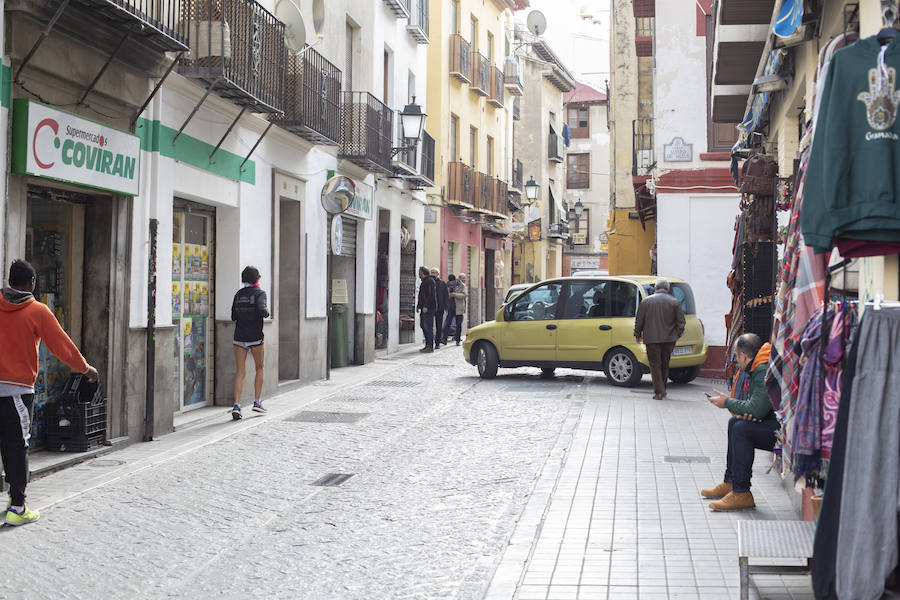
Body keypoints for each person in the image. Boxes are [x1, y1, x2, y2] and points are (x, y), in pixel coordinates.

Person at [0, 259, 98, 526]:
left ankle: (13, 501)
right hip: (17, 392)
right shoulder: (37, 311)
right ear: (32, 283)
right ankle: (17, 508)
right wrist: (86, 369)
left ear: (9, 281)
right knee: (16, 446)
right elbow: (62, 346)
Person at [703, 333, 775, 511]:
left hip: (785, 431)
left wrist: (727, 402)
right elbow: (758, 406)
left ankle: (742, 492)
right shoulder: (758, 365)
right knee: (735, 423)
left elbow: (757, 408)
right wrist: (747, 410)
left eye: (736, 356)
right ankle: (731, 482)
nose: (736, 360)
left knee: (742, 429)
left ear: (744, 356)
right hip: (774, 421)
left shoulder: (761, 369)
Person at [633, 278, 686, 399]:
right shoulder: (675, 302)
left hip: (651, 339)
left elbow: (639, 320)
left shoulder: (646, 302)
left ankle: (659, 392)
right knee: (665, 364)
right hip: (669, 340)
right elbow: (681, 322)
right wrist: (676, 335)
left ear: (655, 288)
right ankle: (663, 389)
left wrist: (637, 334)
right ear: (667, 289)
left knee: (655, 365)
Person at [231, 266, 269, 420]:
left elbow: (233, 315)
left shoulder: (238, 294)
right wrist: (265, 311)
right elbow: (263, 311)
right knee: (259, 368)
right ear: (257, 279)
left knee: (240, 371)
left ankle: (237, 405)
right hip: (255, 338)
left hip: (239, 337)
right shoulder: (260, 293)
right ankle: (257, 402)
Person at [416, 266, 436, 352]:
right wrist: (418, 306)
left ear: (423, 273)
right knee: (423, 325)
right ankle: (427, 344)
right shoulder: (424, 282)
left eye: (419, 272)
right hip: (423, 308)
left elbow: (430, 295)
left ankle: (430, 346)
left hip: (429, 308)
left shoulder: (430, 281)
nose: (418, 274)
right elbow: (421, 295)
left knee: (428, 326)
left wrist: (426, 306)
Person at [444, 274, 467, 346]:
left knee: (458, 324)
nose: (451, 283)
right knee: (447, 323)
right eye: (450, 282)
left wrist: (455, 295)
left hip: (459, 308)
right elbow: (444, 295)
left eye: (452, 282)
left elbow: (464, 295)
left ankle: (457, 339)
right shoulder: (446, 285)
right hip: (450, 307)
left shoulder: (461, 285)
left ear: (454, 280)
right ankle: (444, 339)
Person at [431, 268, 449, 349]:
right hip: (430, 307)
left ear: (438, 274)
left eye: (434, 272)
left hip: (440, 308)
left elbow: (446, 295)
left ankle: (437, 342)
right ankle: (429, 343)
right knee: (429, 326)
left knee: (439, 326)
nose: (433, 274)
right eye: (431, 272)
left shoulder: (442, 283)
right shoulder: (429, 282)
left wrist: (446, 307)